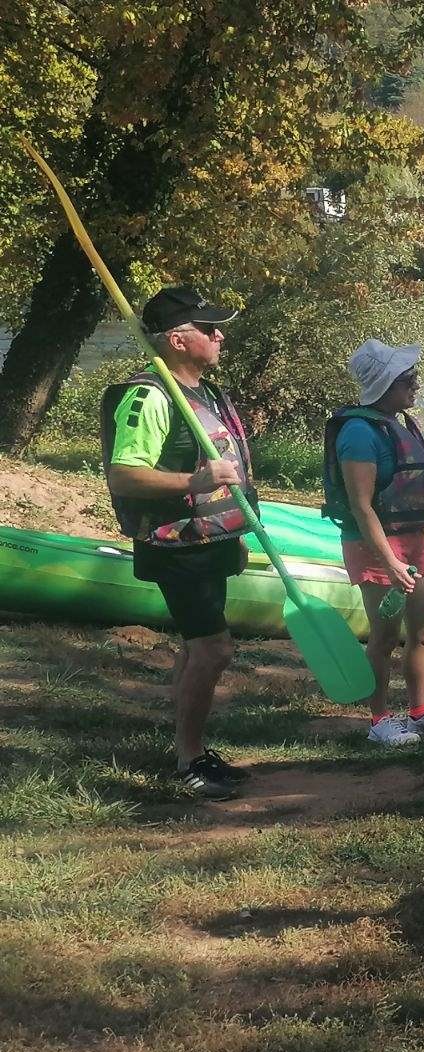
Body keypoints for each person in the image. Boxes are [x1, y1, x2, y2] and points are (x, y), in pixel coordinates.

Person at [101, 286, 255, 800]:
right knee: (213, 650)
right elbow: (124, 475)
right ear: (178, 339)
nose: (220, 335)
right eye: (209, 328)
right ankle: (190, 759)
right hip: (178, 547)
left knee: (198, 649)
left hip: (211, 542)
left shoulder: (206, 395)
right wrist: (195, 482)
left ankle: (189, 747)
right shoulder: (147, 396)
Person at [324, 340, 424, 747]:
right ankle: (380, 720)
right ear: (385, 385)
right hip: (373, 544)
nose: (416, 384)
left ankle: (420, 711)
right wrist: (388, 561)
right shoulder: (357, 433)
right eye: (408, 379)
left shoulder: (398, 422)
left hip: (411, 539)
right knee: (385, 635)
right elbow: (361, 506)